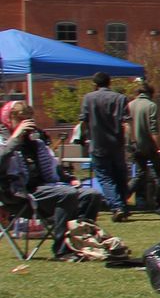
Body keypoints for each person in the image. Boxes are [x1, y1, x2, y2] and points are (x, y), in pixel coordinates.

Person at [0, 101, 105, 258]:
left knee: (91, 195)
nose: (26, 124)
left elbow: (52, 166)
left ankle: (81, 242)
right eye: (21, 119)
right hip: (17, 194)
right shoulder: (3, 141)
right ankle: (62, 250)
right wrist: (15, 138)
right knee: (67, 194)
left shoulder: (36, 143)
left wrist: (69, 178)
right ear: (9, 119)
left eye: (29, 119)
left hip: (45, 189)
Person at [76, 72, 131, 221]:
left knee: (105, 177)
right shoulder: (120, 99)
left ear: (95, 84)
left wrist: (83, 137)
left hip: (98, 144)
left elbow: (84, 121)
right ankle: (122, 205)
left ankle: (117, 206)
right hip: (117, 144)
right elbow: (126, 123)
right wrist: (128, 142)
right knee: (120, 176)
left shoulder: (88, 98)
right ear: (109, 83)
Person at [125, 84, 160, 212]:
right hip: (149, 146)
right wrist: (159, 147)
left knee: (140, 174)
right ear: (150, 93)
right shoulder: (151, 105)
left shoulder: (130, 105)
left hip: (134, 145)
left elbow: (126, 126)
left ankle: (123, 196)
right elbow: (154, 129)